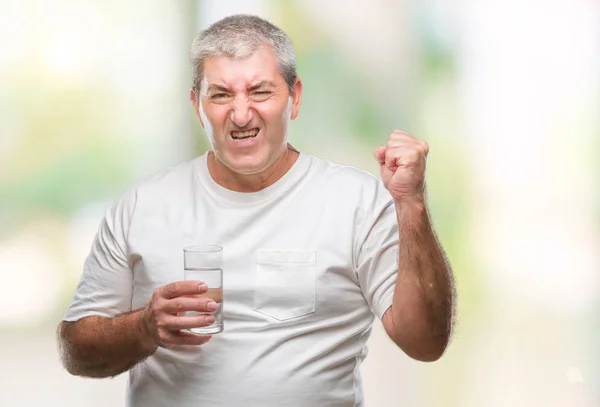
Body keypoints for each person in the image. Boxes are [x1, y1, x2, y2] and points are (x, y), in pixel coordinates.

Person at [58, 14, 456, 407]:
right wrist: (144, 327)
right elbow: (76, 350)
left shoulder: (355, 200)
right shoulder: (143, 205)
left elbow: (425, 342)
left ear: (294, 97)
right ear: (197, 104)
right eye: (221, 94)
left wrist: (412, 203)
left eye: (261, 92)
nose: (242, 113)